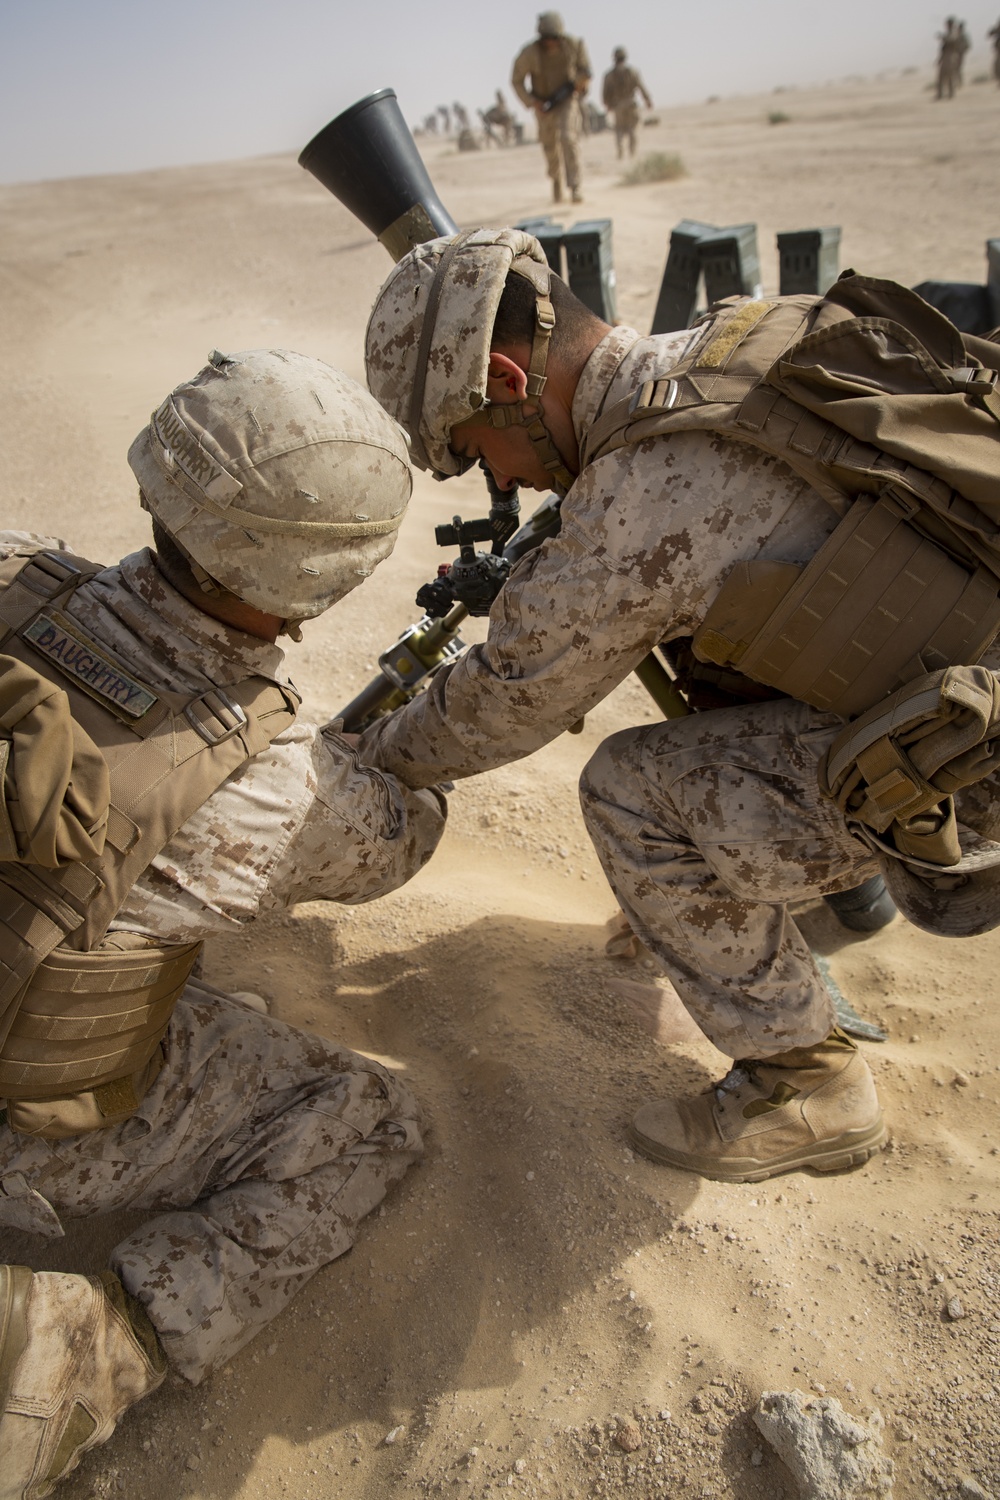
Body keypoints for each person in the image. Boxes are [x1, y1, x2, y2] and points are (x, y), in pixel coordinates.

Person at [361, 227, 1000, 1188]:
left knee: (631, 790)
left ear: (504, 377)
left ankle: (805, 1081)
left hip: (978, 750)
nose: (503, 481)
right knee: (721, 676)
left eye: (475, 451)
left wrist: (371, 756)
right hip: (970, 678)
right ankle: (827, 903)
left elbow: (500, 705)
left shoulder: (641, 496)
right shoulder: (730, 340)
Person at [0, 348, 447, 1496]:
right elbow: (396, 844)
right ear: (327, 583)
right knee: (366, 1115)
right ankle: (94, 1356)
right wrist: (406, 766)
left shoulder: (11, 571)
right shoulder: (276, 787)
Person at [511, 12, 591, 203]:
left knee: (568, 137)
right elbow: (516, 80)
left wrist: (580, 83)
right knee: (549, 147)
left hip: (567, 100)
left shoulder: (574, 45)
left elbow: (585, 70)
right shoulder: (530, 53)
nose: (550, 43)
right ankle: (556, 180)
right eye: (547, 39)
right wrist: (532, 102)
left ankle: (575, 186)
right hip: (543, 105)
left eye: (554, 38)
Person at [601, 47, 653, 160]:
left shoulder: (609, 75)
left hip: (618, 106)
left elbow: (605, 93)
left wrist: (607, 104)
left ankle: (620, 153)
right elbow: (641, 87)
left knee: (619, 129)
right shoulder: (633, 71)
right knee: (633, 129)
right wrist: (647, 100)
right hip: (631, 104)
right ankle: (632, 154)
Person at [936, 16, 962, 98]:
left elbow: (951, 40)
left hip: (951, 56)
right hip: (945, 56)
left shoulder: (954, 33)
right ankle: (940, 94)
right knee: (941, 76)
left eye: (949, 24)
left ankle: (951, 93)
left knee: (950, 76)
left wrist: (943, 37)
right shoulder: (948, 33)